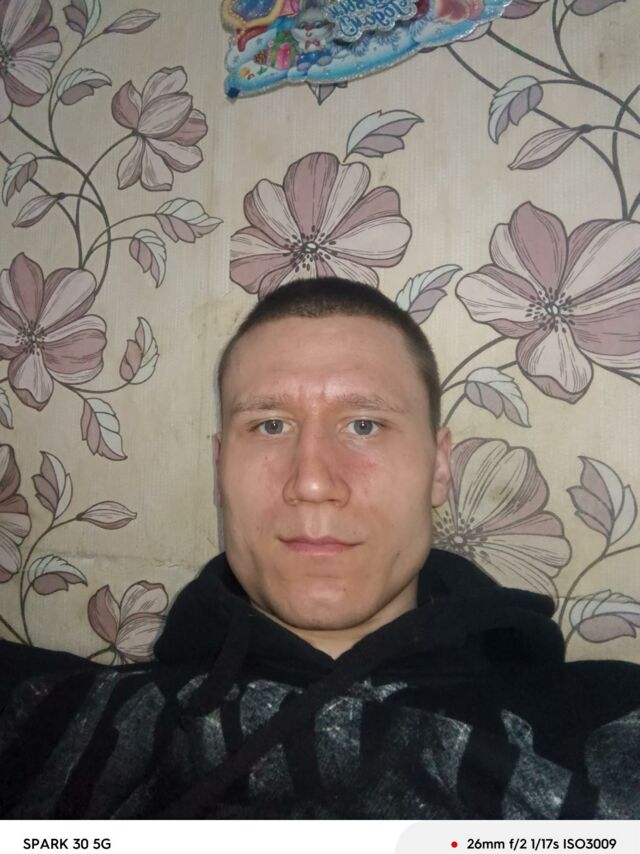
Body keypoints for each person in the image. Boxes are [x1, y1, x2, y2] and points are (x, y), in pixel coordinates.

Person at [1, 277, 640, 819]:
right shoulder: (49, 716)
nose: (311, 482)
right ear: (220, 469)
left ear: (439, 467)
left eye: (364, 424)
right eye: (270, 424)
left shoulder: (605, 724)